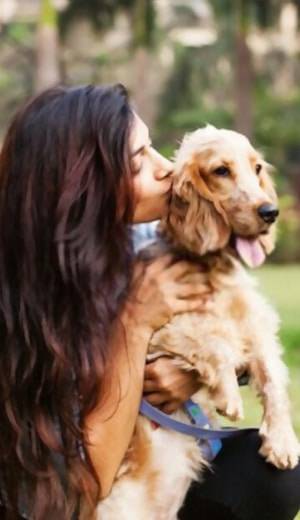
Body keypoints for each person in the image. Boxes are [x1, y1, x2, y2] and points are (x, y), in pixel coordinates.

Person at [0, 84, 298, 520]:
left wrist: (189, 374)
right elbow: (79, 490)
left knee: (272, 477)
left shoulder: (143, 238)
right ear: (82, 183)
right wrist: (135, 324)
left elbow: (236, 328)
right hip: (82, 492)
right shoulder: (21, 301)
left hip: (162, 461)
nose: (167, 170)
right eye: (140, 159)